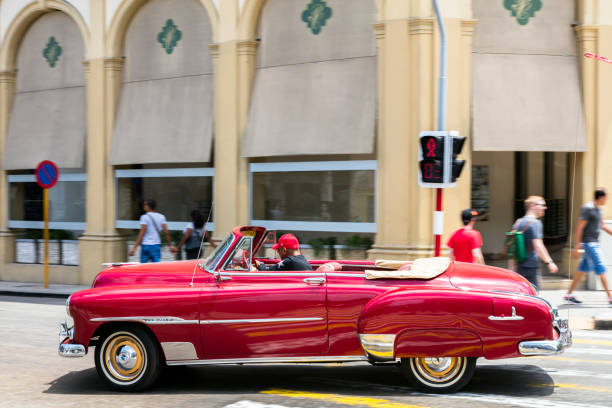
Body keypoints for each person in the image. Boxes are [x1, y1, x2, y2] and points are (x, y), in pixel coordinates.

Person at [565, 188, 612, 304]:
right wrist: (576, 247)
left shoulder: (598, 209)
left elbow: (602, 225)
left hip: (594, 242)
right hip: (589, 244)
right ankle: (610, 297)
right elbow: (580, 228)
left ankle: (568, 294)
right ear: (601, 197)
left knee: (582, 269)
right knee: (601, 267)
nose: (607, 199)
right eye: (606, 197)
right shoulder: (588, 208)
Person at [513, 196, 558, 291]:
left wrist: (512, 268)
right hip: (531, 266)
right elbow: (538, 245)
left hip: (519, 265)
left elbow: (512, 246)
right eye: (542, 205)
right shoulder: (535, 223)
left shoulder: (518, 222)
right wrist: (549, 262)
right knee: (533, 294)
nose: (545, 208)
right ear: (533, 206)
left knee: (522, 294)